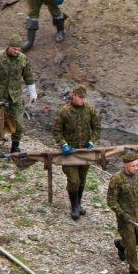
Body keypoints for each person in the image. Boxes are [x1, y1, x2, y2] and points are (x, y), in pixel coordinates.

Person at [0, 33, 36, 153]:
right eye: (14, 49)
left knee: (18, 123)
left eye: (18, 49)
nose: (16, 51)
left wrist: (33, 92)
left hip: (15, 96)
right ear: (9, 47)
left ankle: (15, 146)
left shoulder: (22, 59)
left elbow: (28, 76)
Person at [52, 84, 100, 220]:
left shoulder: (90, 109)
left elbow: (97, 128)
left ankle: (78, 204)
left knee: (82, 179)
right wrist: (63, 144)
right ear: (73, 95)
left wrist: (92, 141)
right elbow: (57, 131)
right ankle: (73, 206)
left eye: (83, 98)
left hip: (85, 152)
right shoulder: (64, 111)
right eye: (79, 97)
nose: (81, 100)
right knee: (74, 180)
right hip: (69, 153)